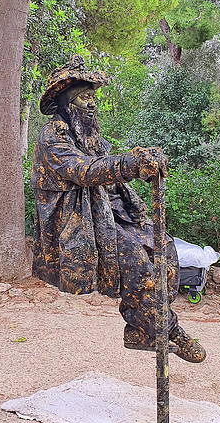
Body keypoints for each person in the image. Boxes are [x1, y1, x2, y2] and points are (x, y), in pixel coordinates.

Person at [31, 55, 207, 363]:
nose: (91, 103)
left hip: (113, 214)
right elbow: (83, 171)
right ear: (64, 101)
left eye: (92, 96)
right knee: (135, 260)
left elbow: (106, 171)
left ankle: (144, 329)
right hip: (81, 222)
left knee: (163, 247)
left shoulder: (91, 136)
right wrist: (132, 163)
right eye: (83, 96)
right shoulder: (52, 136)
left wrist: (144, 166)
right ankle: (169, 330)